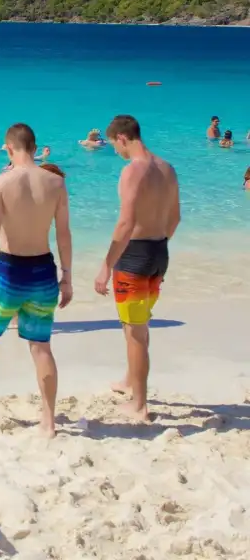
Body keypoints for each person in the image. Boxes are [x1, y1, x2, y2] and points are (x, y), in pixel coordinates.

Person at [0, 123, 73, 437]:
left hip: (7, 272)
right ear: (34, 146)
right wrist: (67, 277)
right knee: (41, 347)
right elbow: (64, 234)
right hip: (43, 272)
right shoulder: (56, 182)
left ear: (10, 149)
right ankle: (49, 421)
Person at [95, 115, 180, 423]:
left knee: (134, 332)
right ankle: (131, 380)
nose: (117, 152)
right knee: (138, 326)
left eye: (115, 146)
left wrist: (106, 266)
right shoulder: (167, 168)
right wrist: (158, 244)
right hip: (159, 253)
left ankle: (140, 405)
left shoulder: (133, 171)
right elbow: (175, 218)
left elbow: (125, 223)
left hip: (133, 258)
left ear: (121, 138)